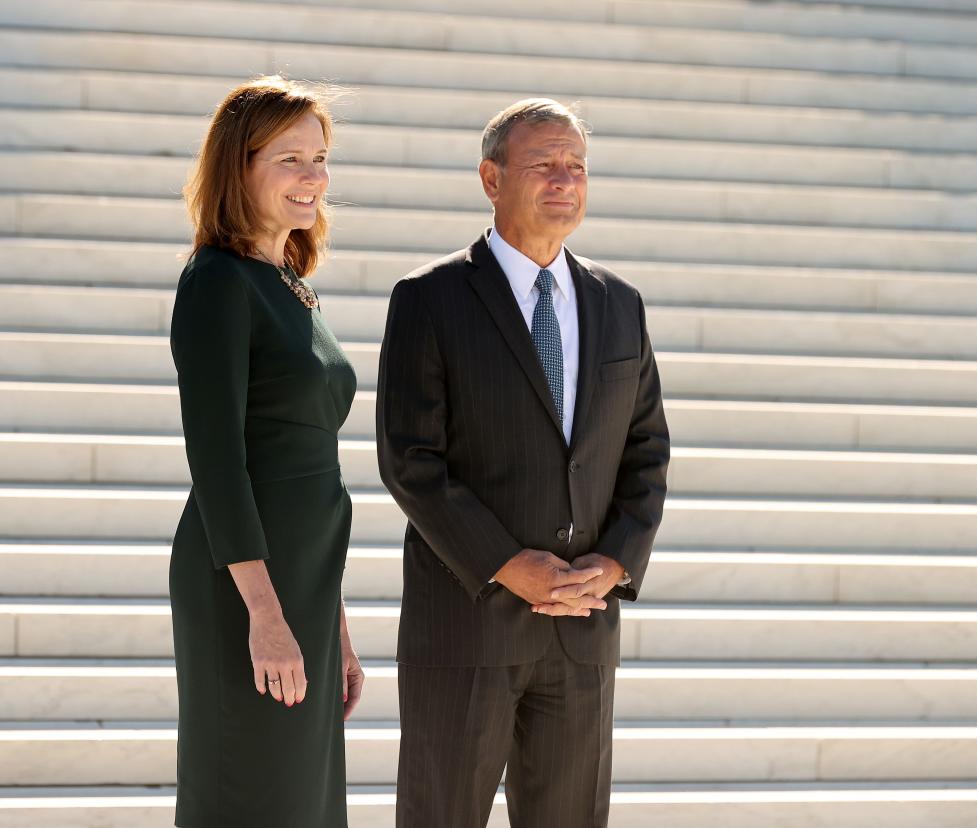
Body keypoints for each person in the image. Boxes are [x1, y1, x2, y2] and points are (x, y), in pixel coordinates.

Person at [377, 97, 671, 827]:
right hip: (466, 624)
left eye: (577, 166)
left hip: (582, 628)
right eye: (544, 164)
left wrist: (615, 563)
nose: (564, 180)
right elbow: (411, 460)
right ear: (490, 177)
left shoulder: (620, 304)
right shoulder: (429, 298)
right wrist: (509, 563)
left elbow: (646, 449)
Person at [169, 75, 364, 828]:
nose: (313, 178)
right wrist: (266, 613)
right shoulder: (217, 283)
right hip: (245, 587)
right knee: (251, 792)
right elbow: (218, 463)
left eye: (319, 159)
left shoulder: (290, 285)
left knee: (304, 800)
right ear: (238, 167)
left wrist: (333, 625)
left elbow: (310, 471)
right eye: (290, 159)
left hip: (304, 586)